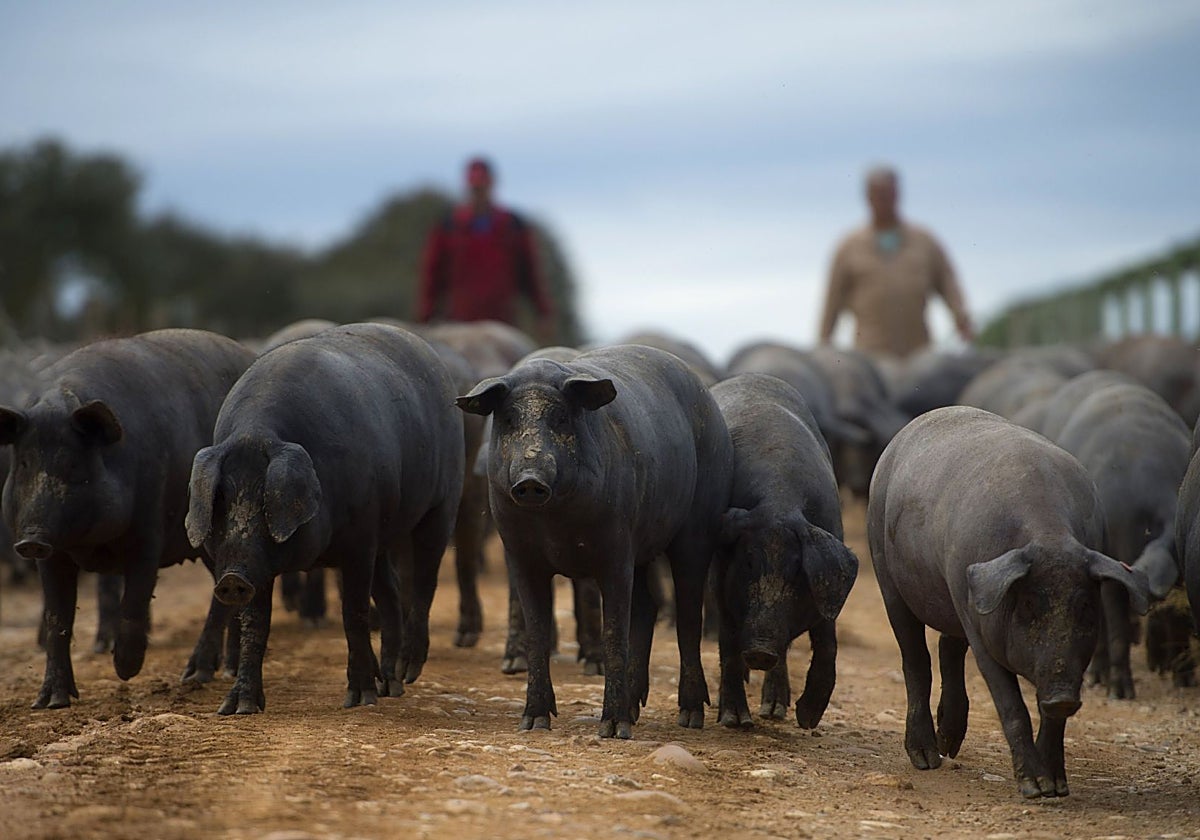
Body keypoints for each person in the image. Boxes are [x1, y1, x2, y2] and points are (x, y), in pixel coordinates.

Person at [818, 166, 973, 358]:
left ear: (898, 194)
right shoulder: (849, 248)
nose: (884, 201)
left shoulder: (924, 242)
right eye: (878, 195)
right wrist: (823, 344)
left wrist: (962, 321)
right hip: (870, 355)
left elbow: (950, 286)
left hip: (919, 353)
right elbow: (832, 302)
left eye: (888, 194)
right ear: (868, 197)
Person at [417, 157, 556, 343]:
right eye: (475, 188)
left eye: (482, 187)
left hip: (503, 325)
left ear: (491, 185)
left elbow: (531, 274)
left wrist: (542, 313)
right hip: (461, 325)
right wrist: (426, 316)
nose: (478, 193)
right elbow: (432, 275)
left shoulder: (514, 226)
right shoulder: (448, 226)